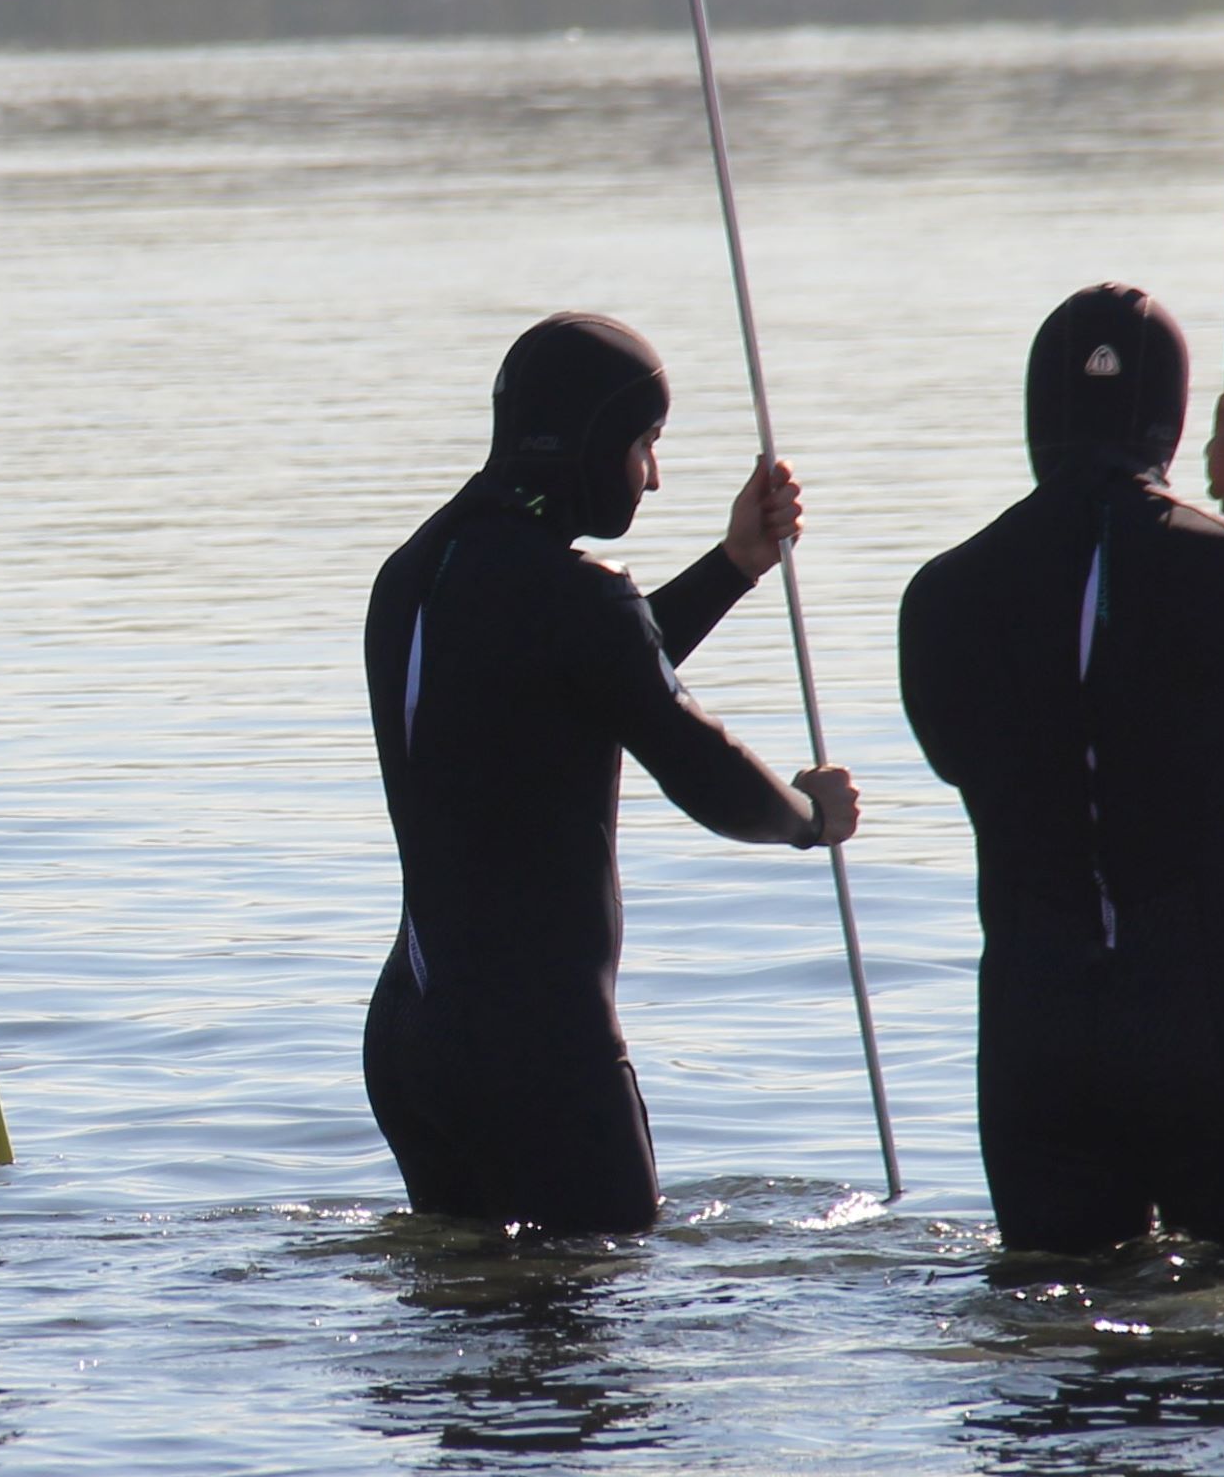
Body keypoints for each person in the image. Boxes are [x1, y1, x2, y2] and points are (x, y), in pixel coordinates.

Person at [360, 312, 855, 1233]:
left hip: (411, 1035)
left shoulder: (415, 572)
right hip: (543, 1049)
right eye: (644, 444)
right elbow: (699, 768)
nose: (653, 475)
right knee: (601, 1324)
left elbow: (586, 670)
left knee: (458, 1346)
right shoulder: (575, 595)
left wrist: (735, 563)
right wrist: (807, 817)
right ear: (589, 443)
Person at [899, 285, 1224, 1263]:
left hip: (1034, 1029)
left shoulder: (940, 594)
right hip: (1214, 1021)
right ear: (1168, 418)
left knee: (1052, 1362)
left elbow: (949, 758)